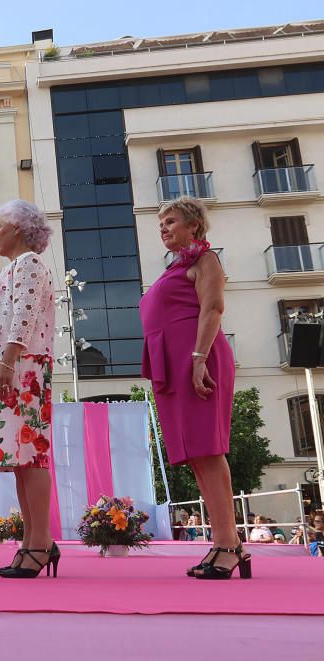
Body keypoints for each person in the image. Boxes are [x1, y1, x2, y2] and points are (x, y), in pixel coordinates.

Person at [140, 196, 247, 580]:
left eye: (170, 221)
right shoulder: (177, 267)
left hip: (196, 361)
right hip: (176, 363)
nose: (163, 228)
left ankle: (228, 545)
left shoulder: (206, 261)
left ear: (194, 226)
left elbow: (213, 308)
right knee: (197, 455)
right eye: (161, 223)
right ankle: (226, 541)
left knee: (208, 449)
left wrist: (199, 358)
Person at [0, 200, 57, 579]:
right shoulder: (15, 268)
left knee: (32, 454)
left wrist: (8, 363)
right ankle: (33, 540)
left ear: (18, 228)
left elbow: (23, 315)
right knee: (20, 460)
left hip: (22, 368)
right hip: (12, 367)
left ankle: (41, 542)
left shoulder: (28, 264)